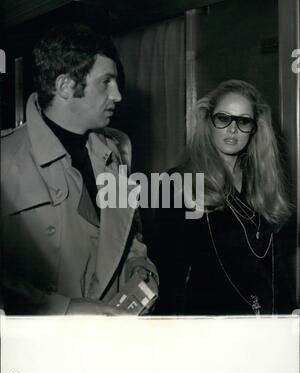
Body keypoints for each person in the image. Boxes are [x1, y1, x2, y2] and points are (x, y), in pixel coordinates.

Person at [1, 24, 158, 315]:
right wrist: (63, 310)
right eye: (106, 82)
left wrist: (140, 268)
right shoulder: (4, 158)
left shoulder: (115, 153)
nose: (118, 96)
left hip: (109, 343)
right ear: (64, 86)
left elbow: (128, 240)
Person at [149, 79, 296, 315]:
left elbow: (274, 267)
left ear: (255, 128)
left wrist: (290, 314)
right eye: (223, 118)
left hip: (262, 323)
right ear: (209, 121)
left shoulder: (261, 183)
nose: (233, 129)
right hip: (204, 326)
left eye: (243, 121)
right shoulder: (178, 182)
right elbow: (167, 272)